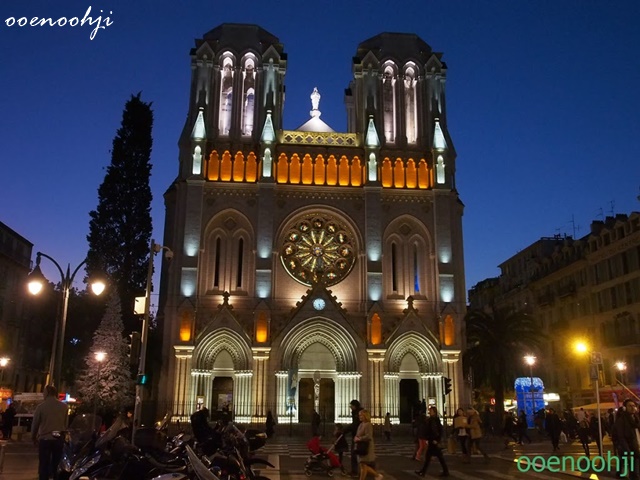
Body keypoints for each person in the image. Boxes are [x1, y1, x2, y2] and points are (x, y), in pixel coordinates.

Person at [32, 385, 68, 480]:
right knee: (56, 464)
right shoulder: (64, 407)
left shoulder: (41, 407)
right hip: (58, 437)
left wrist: (33, 437)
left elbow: (35, 424)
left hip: (45, 438)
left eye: (44, 392)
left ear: (47, 393)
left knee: (44, 464)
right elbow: (66, 424)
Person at [415, 406, 449, 477]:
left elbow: (435, 431)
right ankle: (423, 472)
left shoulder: (433, 420)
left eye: (430, 411)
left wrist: (436, 439)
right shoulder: (433, 419)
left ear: (434, 412)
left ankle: (423, 472)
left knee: (434, 457)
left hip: (433, 441)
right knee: (433, 457)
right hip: (432, 440)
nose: (429, 412)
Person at [614, 399, 640, 480]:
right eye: (630, 406)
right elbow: (621, 437)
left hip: (637, 448)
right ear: (625, 408)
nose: (632, 408)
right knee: (634, 473)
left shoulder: (636, 419)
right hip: (630, 450)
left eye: (634, 406)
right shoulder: (621, 421)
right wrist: (628, 452)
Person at [354, 409, 383, 480]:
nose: (359, 417)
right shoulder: (361, 424)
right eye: (359, 415)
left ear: (365, 416)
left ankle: (377, 475)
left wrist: (359, 438)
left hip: (366, 447)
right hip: (360, 446)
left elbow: (369, 436)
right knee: (362, 465)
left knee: (363, 465)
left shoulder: (368, 425)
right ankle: (377, 475)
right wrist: (356, 438)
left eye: (361, 415)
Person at [343, 399, 363, 478]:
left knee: (355, 454)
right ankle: (358, 471)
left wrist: (345, 430)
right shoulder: (356, 413)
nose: (350, 407)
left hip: (357, 436)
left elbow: (355, 424)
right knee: (357, 454)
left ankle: (356, 471)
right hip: (356, 435)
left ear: (354, 406)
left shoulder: (358, 413)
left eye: (351, 405)